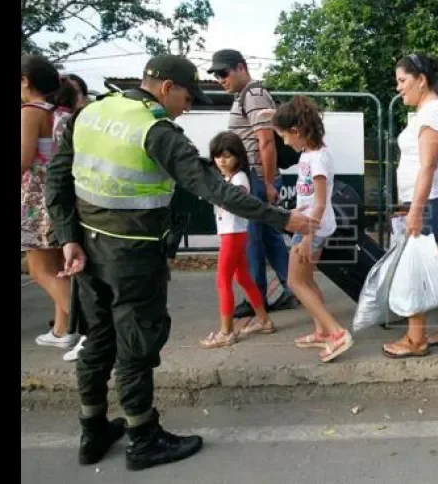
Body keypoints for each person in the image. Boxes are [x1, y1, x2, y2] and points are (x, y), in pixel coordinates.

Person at [44, 54, 317, 471]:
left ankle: (92, 430)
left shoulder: (90, 114)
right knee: (135, 346)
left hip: (87, 247)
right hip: (133, 254)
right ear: (167, 87)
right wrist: (283, 218)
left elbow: (58, 177)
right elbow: (211, 187)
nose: (188, 107)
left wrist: (67, 238)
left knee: (98, 339)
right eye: (187, 97)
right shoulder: (156, 130)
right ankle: (143, 438)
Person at [383, 53, 438, 358]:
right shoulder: (431, 110)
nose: (399, 87)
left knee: (414, 267)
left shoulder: (432, 113)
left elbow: (427, 167)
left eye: (403, 81)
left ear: (421, 80)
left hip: (431, 201)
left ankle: (415, 339)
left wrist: (414, 211)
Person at [208, 49, 295, 317]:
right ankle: (292, 288)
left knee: (253, 242)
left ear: (241, 68)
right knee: (270, 240)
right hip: (258, 178)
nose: (220, 78)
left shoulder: (254, 95)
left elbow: (266, 142)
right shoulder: (245, 96)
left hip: (257, 179)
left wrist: (268, 184)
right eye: (215, 74)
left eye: (223, 72)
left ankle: (257, 298)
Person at [268, 96, 355, 362]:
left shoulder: (317, 158)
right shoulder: (309, 154)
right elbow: (310, 202)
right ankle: (322, 332)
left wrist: (307, 237)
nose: (284, 142)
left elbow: (319, 203)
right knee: (305, 280)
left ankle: (337, 332)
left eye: (284, 136)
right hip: (309, 225)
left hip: (311, 228)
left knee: (295, 281)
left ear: (297, 131)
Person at [22, 55, 80, 352]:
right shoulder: (63, 113)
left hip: (36, 200)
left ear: (25, 81)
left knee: (39, 270)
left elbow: (22, 159)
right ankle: (62, 331)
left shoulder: (31, 111)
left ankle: (91, 327)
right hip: (60, 197)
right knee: (60, 267)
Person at [200, 132, 273, 348]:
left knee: (223, 281)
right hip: (233, 233)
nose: (222, 160)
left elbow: (235, 201)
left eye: (227, 156)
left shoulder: (239, 178)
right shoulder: (228, 178)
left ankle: (226, 332)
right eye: (218, 156)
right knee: (242, 278)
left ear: (238, 157)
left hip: (234, 234)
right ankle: (264, 321)